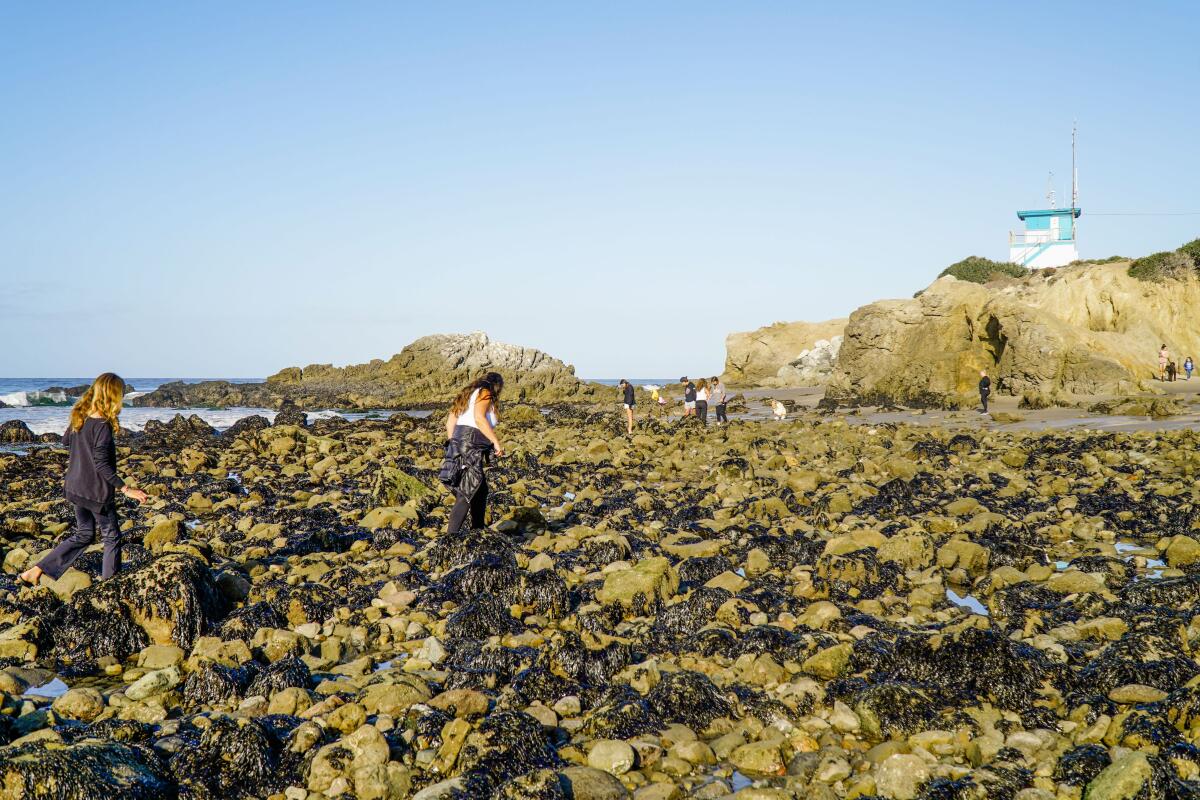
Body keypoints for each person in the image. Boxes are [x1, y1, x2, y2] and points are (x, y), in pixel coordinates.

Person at [19, 373, 148, 587]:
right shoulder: (102, 425)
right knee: (111, 536)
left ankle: (35, 571)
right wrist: (125, 489)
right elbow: (101, 465)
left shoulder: (81, 417)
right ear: (114, 396)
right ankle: (110, 586)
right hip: (95, 492)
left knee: (84, 534)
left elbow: (65, 441)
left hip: (75, 487)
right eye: (122, 394)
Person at [440, 372, 504, 534]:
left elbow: (450, 422)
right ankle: (451, 536)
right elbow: (479, 419)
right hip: (471, 444)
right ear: (496, 386)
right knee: (466, 492)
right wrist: (496, 442)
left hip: (460, 442)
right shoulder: (485, 393)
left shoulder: (467, 395)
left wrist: (454, 443)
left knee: (480, 490)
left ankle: (477, 529)